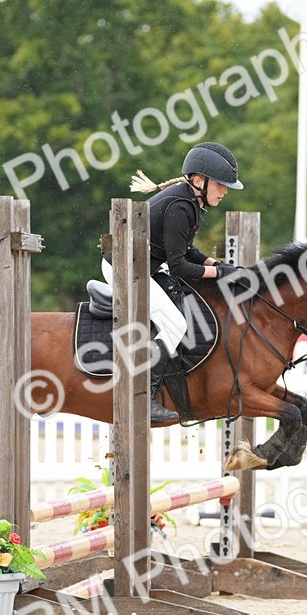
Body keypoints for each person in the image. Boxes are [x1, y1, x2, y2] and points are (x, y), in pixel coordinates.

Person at [126, 141, 245, 424]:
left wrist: (216, 265)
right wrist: (220, 274)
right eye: (221, 184)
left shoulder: (192, 202)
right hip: (125, 269)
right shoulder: (181, 205)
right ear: (199, 180)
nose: (225, 191)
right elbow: (179, 267)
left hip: (146, 266)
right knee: (176, 323)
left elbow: (187, 251)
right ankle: (146, 397)